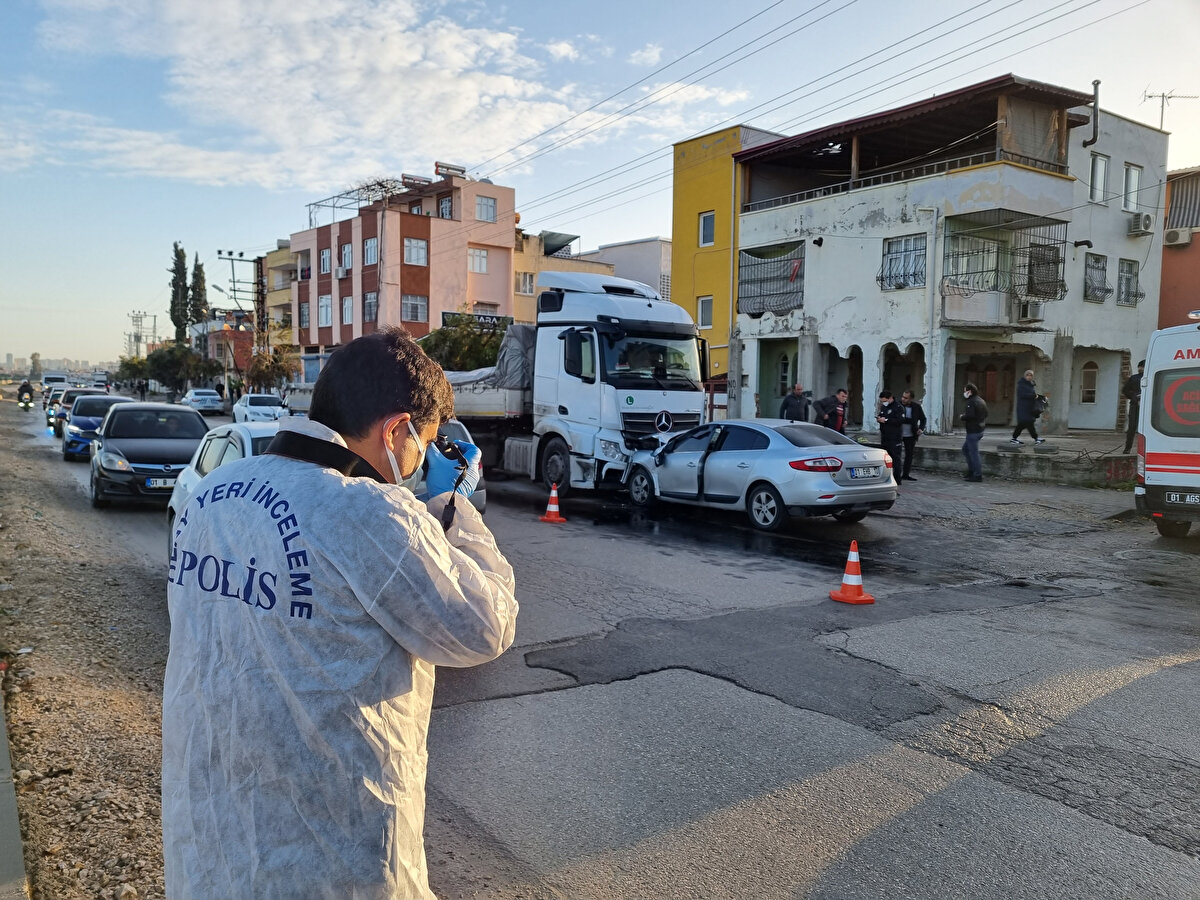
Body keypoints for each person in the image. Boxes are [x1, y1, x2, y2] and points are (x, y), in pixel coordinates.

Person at [161, 327, 518, 900]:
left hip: (211, 840)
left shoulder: (213, 493)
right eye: (422, 442)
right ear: (396, 429)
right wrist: (455, 508)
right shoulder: (370, 511)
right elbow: (481, 627)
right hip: (329, 857)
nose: (419, 458)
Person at [960, 382, 988, 482]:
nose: (964, 393)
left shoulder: (971, 402)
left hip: (973, 431)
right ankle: (972, 471)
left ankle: (977, 475)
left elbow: (970, 416)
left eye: (965, 391)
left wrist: (962, 417)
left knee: (973, 453)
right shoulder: (981, 400)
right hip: (980, 429)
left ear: (969, 391)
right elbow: (986, 414)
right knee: (966, 450)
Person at [1010, 370, 1046, 445]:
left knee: (1025, 424)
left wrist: (1037, 396)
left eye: (1031, 375)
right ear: (1025, 376)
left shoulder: (1030, 384)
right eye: (1028, 375)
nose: (1029, 377)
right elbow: (1022, 395)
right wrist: (1034, 396)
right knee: (1027, 423)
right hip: (1023, 408)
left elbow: (1032, 394)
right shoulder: (1021, 384)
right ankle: (1035, 439)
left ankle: (1015, 438)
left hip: (1029, 408)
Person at [898, 390, 927, 481]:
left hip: (911, 434)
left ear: (911, 399)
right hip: (898, 434)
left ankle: (906, 474)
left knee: (909, 455)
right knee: (896, 455)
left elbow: (923, 419)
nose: (903, 399)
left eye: (906, 398)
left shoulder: (916, 407)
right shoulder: (898, 405)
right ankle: (896, 474)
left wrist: (921, 429)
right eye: (903, 397)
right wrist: (910, 420)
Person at [875, 391, 904, 473]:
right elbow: (882, 415)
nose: (884, 403)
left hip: (895, 438)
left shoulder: (898, 407)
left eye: (885, 401)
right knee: (885, 459)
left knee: (895, 459)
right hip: (885, 437)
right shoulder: (884, 407)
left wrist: (886, 420)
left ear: (890, 398)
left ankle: (897, 479)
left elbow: (900, 420)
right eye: (882, 401)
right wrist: (879, 419)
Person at [1122, 359, 1144, 454]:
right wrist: (1134, 397)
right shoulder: (1134, 378)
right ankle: (1128, 448)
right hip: (1135, 405)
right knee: (1132, 427)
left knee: (1145, 428)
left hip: (1146, 406)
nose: (1140, 369)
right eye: (1140, 367)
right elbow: (1125, 390)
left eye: (1142, 367)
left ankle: (1144, 449)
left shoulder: (1151, 377)